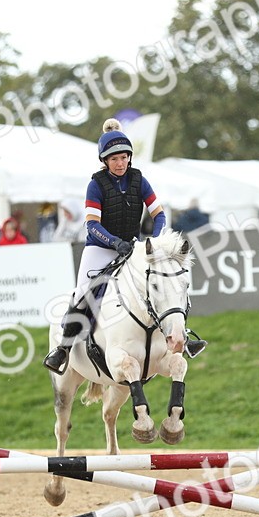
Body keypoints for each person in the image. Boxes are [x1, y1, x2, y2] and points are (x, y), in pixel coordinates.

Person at [43, 119, 203, 374]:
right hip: (100, 248)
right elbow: (92, 225)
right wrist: (115, 243)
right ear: (105, 161)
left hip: (133, 247)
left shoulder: (140, 181)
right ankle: (63, 348)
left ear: (130, 157)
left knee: (165, 286)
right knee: (82, 294)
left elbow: (159, 215)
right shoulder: (95, 185)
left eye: (124, 157)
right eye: (115, 159)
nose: (120, 163)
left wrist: (156, 240)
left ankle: (182, 338)